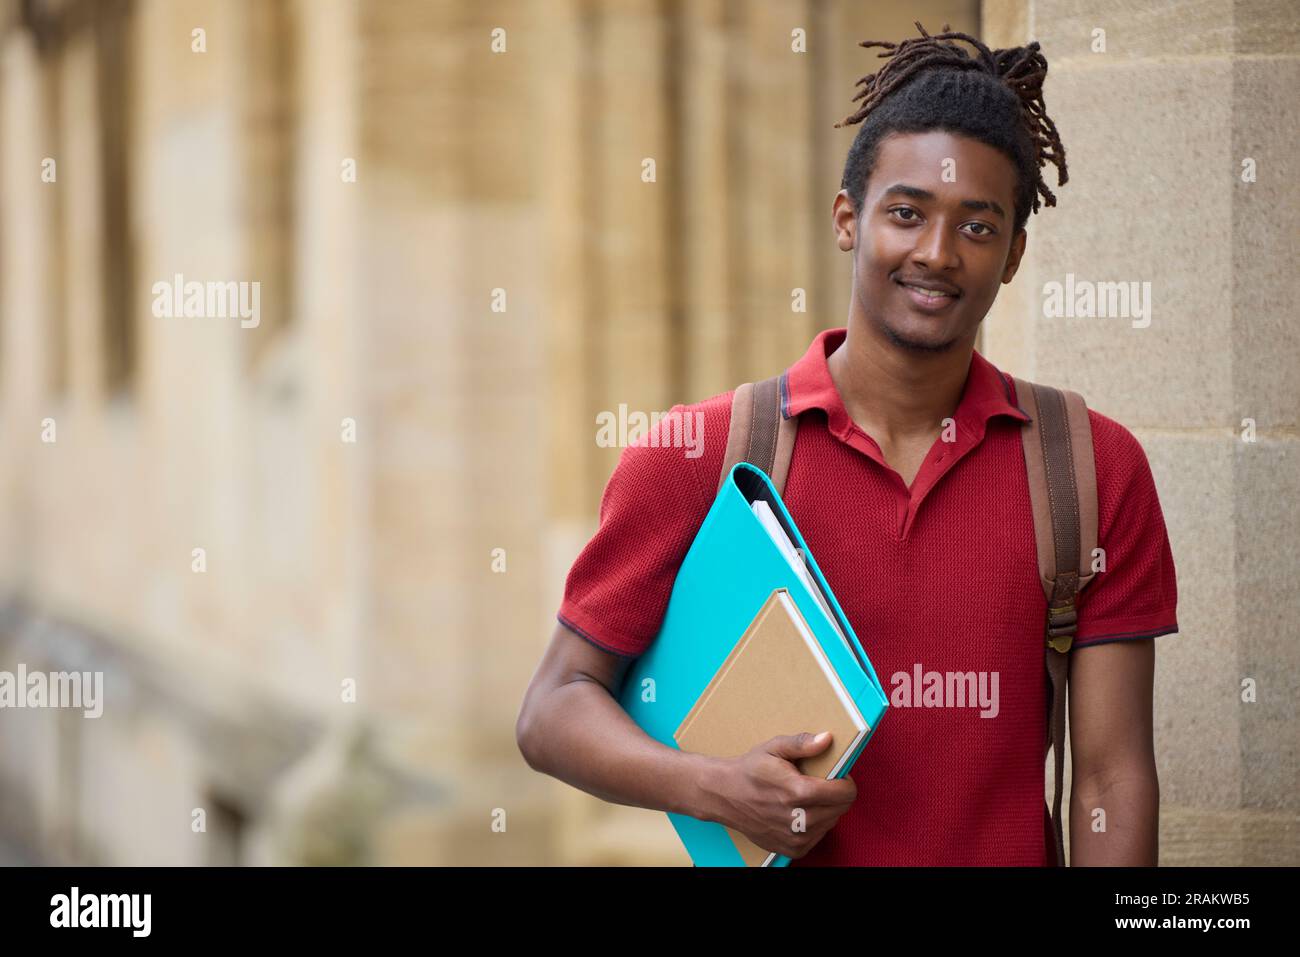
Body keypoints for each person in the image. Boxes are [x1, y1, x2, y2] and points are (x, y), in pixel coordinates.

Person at [516, 23, 1178, 866]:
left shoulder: (1088, 468)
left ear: (1013, 255)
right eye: (907, 213)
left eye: (978, 228)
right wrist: (713, 786)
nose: (936, 254)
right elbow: (553, 709)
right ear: (846, 218)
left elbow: (1111, 778)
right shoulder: (698, 453)